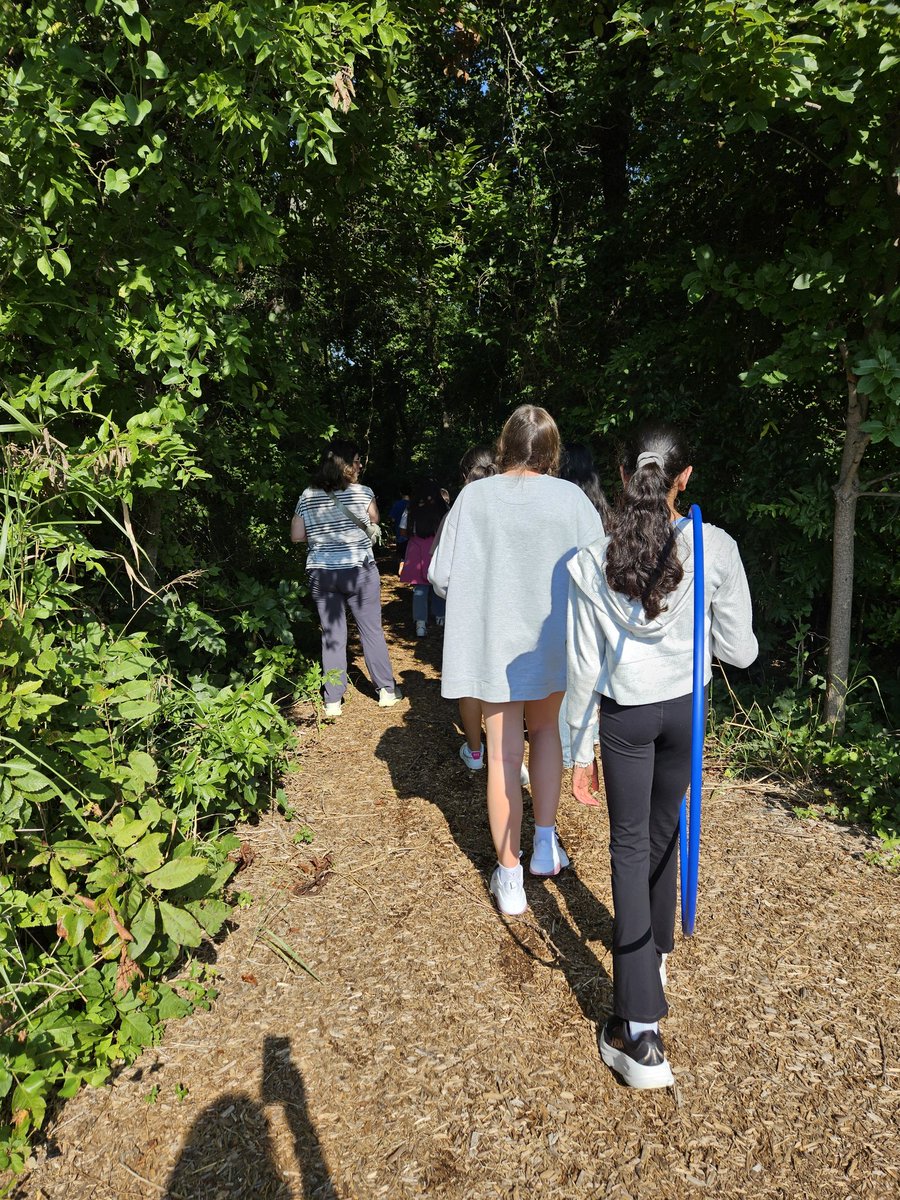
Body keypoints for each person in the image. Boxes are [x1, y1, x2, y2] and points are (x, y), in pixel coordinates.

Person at [566, 422, 758, 1089]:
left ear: (624, 476)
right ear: (685, 477)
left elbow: (583, 668)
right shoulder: (715, 547)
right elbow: (741, 651)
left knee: (629, 844)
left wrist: (578, 749)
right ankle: (655, 955)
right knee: (662, 829)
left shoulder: (588, 561)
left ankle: (639, 1029)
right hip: (685, 711)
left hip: (626, 714)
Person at [428, 406, 605, 916]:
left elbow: (440, 575)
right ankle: (545, 844)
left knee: (504, 755)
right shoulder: (572, 498)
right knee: (546, 733)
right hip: (552, 642)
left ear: (505, 445)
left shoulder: (474, 497)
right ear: (552, 450)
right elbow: (599, 574)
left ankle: (509, 877)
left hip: (495, 646)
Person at [290, 440, 403, 718]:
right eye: (356, 460)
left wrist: (321, 536)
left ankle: (332, 700)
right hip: (359, 570)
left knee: (332, 634)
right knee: (371, 630)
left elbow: (296, 535)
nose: (360, 465)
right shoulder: (364, 492)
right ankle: (386, 691)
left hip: (322, 572)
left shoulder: (307, 495)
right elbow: (374, 521)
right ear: (345, 466)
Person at [558, 443, 611, 806]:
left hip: (563, 602)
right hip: (599, 605)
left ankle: (569, 751)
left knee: (569, 678)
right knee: (591, 676)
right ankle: (587, 744)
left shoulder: (561, 503)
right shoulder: (600, 507)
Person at [399, 478, 450, 636]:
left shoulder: (411, 507)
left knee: (419, 588)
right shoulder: (443, 508)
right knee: (437, 583)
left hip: (416, 550)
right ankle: (441, 618)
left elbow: (402, 530)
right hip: (437, 548)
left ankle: (420, 624)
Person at [388, 485, 411, 564]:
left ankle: (401, 567)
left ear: (401, 493)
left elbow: (392, 519)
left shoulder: (397, 504)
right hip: (412, 534)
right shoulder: (414, 504)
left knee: (401, 556)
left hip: (400, 533)